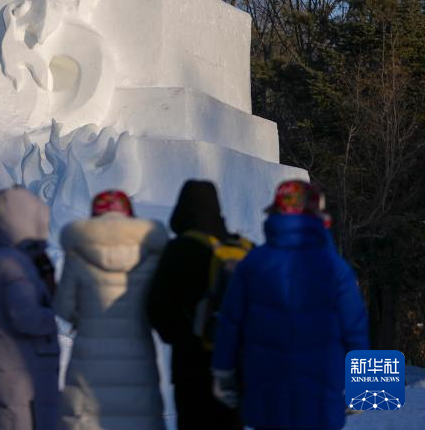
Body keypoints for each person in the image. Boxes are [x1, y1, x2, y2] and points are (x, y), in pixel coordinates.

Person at [211, 180, 369, 430]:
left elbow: (230, 324)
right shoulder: (336, 269)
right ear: (317, 214)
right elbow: (354, 329)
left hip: (265, 395)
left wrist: (223, 372)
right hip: (320, 398)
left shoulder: (252, 265)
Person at [55, 189, 168, 430]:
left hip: (89, 356)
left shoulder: (78, 253)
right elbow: (158, 307)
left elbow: (63, 306)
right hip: (136, 356)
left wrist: (85, 319)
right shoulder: (150, 255)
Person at [146, 179, 246, 430]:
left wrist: (184, 337)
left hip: (190, 366)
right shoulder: (240, 250)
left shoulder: (179, 250)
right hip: (234, 366)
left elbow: (157, 309)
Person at [0, 187, 59, 430]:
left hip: (13, 376)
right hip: (22, 377)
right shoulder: (11, 264)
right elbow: (28, 318)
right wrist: (53, 314)